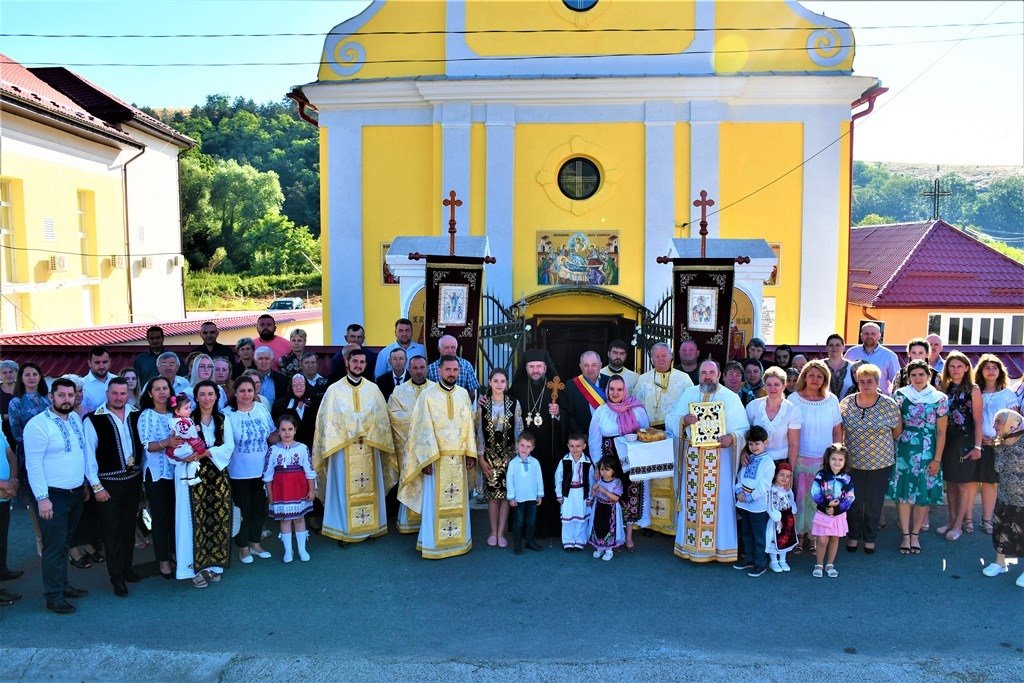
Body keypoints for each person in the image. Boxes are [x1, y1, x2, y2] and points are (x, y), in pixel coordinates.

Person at [667, 360, 750, 564]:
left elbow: (744, 428)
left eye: (711, 373)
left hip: (720, 459)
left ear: (719, 374)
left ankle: (720, 548)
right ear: (698, 375)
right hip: (692, 460)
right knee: (692, 501)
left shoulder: (730, 397)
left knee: (719, 503)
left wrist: (732, 438)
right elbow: (670, 419)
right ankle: (690, 546)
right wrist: (683, 420)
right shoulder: (688, 394)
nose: (707, 377)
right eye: (703, 373)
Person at [312, 349, 396, 546]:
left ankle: (370, 528)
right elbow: (327, 422)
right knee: (343, 489)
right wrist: (351, 432)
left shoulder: (373, 390)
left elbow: (381, 420)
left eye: (362, 362)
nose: (358, 365)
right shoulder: (334, 390)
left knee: (370, 487)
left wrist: (367, 431)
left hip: (369, 448)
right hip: (343, 449)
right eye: (355, 361)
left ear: (366, 365)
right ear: (347, 363)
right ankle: (345, 531)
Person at [399, 355, 478, 559]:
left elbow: (468, 424)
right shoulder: (427, 395)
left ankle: (459, 542)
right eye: (448, 370)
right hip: (436, 459)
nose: (452, 373)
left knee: (458, 501)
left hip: (459, 459)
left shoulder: (463, 394)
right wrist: (425, 459)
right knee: (434, 503)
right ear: (440, 371)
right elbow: (421, 428)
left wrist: (470, 453)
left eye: (455, 370)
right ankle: (432, 544)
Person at [23, 378, 91, 614]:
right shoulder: (38, 425)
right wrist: (42, 498)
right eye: (61, 395)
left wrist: (84, 484)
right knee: (54, 546)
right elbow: (33, 464)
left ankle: (63, 586)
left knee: (65, 543)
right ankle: (53, 596)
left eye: (70, 395)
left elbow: (79, 454)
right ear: (51, 397)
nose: (66, 400)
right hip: (53, 496)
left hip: (75, 492)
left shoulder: (75, 419)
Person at [170, 380, 234, 588]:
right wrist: (187, 454)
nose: (207, 398)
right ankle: (192, 568)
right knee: (190, 521)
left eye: (210, 394)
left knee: (215, 518)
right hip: (191, 475)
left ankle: (212, 564)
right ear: (196, 397)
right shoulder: (185, 419)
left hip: (216, 474)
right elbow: (174, 446)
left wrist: (205, 453)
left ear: (217, 397)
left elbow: (229, 446)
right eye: (202, 394)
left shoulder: (223, 419)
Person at [82, 378, 143, 597]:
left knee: (128, 527)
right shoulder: (93, 419)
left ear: (128, 394)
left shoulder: (137, 415)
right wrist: (97, 487)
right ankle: (116, 577)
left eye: (123, 393)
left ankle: (126, 569)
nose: (119, 397)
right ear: (107, 393)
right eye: (115, 393)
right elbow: (89, 456)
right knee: (112, 531)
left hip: (133, 480)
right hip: (108, 484)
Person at [888, 359, 948, 555]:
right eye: (913, 375)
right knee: (903, 493)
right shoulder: (900, 395)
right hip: (905, 449)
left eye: (921, 374)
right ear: (908, 377)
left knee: (923, 493)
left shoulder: (939, 398)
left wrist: (937, 459)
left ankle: (915, 535)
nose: (917, 378)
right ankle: (905, 535)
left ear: (928, 375)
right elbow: (895, 425)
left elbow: (941, 432)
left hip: (929, 450)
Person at [839, 363, 900, 556]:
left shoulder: (888, 404)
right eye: (862, 381)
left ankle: (870, 538)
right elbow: (840, 428)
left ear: (877, 382)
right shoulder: (847, 403)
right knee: (854, 502)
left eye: (869, 381)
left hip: (880, 463)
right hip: (853, 463)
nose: (865, 385)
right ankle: (853, 535)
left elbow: (897, 431)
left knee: (874, 503)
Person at [635, 342, 693, 536]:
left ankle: (670, 524)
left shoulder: (683, 379)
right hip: (648, 436)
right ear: (651, 359)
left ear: (671, 357)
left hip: (672, 435)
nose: (660, 359)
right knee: (649, 478)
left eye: (664, 356)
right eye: (657, 356)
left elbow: (690, 406)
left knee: (671, 478)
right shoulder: (643, 380)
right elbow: (636, 406)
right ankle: (649, 521)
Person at [588, 375, 650, 550]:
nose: (615, 393)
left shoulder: (637, 410)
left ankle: (628, 537)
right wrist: (598, 466)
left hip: (632, 462)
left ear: (625, 391)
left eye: (619, 389)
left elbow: (646, 434)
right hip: (610, 464)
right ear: (607, 390)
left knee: (631, 498)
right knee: (610, 497)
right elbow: (594, 441)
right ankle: (611, 534)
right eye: (612, 389)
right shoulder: (601, 411)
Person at [509, 349, 566, 539]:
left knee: (547, 484)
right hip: (525, 449)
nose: (535, 370)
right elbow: (502, 404)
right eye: (531, 366)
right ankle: (523, 530)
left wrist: (559, 413)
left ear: (545, 368)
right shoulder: (517, 388)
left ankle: (548, 528)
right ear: (525, 368)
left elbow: (568, 414)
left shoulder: (555, 387)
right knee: (524, 486)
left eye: (539, 366)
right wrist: (485, 401)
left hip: (549, 448)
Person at [789, 360, 843, 550]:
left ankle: (814, 537)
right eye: (811, 375)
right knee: (798, 500)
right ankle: (798, 536)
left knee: (819, 500)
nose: (815, 379)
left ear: (825, 380)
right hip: (800, 458)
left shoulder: (832, 400)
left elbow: (837, 431)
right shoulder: (793, 399)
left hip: (824, 460)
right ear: (804, 377)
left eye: (820, 376)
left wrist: (836, 459)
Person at [225, 376, 277, 563]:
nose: (246, 394)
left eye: (250, 390)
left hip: (261, 470)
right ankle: (243, 547)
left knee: (258, 509)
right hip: (238, 472)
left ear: (255, 392)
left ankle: (255, 543)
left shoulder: (261, 409)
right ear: (235, 392)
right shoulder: (227, 414)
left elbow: (272, 434)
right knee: (242, 511)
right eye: (242, 391)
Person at [137, 377, 182, 579]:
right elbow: (147, 445)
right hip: (157, 474)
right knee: (161, 518)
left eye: (165, 388)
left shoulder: (176, 414)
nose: (162, 392)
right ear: (150, 393)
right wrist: (167, 442)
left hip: (178, 473)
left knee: (176, 516)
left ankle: (175, 554)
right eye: (157, 389)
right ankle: (163, 560)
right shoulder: (147, 415)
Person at [936, 351, 983, 540]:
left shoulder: (973, 389)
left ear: (966, 368)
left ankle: (958, 526)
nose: (955, 370)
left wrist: (977, 446)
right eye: (952, 366)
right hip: (947, 441)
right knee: (951, 484)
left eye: (959, 366)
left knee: (963, 484)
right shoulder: (943, 388)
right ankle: (951, 521)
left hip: (966, 440)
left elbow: (978, 421)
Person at [476, 368, 522, 548]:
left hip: (509, 457)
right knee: (493, 497)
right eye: (495, 381)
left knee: (505, 496)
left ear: (507, 384)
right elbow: (479, 433)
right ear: (489, 382)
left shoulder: (514, 403)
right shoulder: (482, 404)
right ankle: (493, 531)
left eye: (502, 381)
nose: (499, 384)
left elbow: (518, 430)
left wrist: (517, 457)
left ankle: (501, 532)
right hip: (489, 457)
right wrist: (481, 459)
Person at [387, 355, 433, 534]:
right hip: (409, 448)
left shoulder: (435, 390)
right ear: (409, 369)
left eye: (422, 367)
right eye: (415, 368)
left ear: (427, 368)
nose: (419, 371)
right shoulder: (399, 391)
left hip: (431, 449)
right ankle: (409, 523)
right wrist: (420, 430)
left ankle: (429, 521)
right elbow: (395, 417)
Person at [8, 362, 50, 556]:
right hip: (29, 454)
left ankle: (54, 537)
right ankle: (39, 538)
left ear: (40, 377)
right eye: (27, 374)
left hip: (51, 454)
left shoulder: (47, 399)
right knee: (34, 498)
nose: (32, 378)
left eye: (35, 374)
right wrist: (37, 445)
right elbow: (16, 432)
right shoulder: (16, 402)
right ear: (21, 378)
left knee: (52, 495)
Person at [264, 414, 316, 563]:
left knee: (299, 518)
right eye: (283, 429)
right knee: (285, 519)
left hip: (299, 489)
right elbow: (268, 474)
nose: (287, 432)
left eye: (290, 429)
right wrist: (270, 493)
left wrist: (311, 490)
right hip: (281, 490)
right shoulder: (273, 450)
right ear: (278, 432)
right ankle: (288, 550)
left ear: (295, 430)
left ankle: (302, 549)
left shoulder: (302, 448)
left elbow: (309, 471)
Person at [981, 409, 1024, 586]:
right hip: (1005, 496)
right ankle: (1000, 563)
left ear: (1012, 425)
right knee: (1001, 529)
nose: (993, 426)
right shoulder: (1000, 443)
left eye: (998, 422)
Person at [977, 354, 1018, 535]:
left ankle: (987, 520)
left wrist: (996, 440)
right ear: (981, 371)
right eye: (987, 367)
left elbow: (1014, 424)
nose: (991, 371)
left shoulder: (1008, 394)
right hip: (977, 443)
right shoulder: (975, 392)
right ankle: (966, 519)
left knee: (990, 482)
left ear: (1000, 371)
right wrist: (979, 438)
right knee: (970, 482)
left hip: (999, 446)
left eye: (995, 367)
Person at [733, 426, 775, 577]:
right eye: (750, 444)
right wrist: (739, 491)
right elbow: (740, 476)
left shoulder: (768, 462)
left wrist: (750, 497)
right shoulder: (749, 458)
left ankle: (760, 563)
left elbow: (765, 485)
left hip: (758, 505)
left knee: (758, 535)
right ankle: (749, 558)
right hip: (744, 503)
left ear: (765, 443)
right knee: (746, 532)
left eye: (757, 443)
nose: (754, 447)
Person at [811, 443, 855, 578]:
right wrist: (826, 504)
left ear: (845, 461)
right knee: (822, 540)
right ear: (828, 459)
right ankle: (819, 564)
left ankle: (830, 564)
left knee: (834, 539)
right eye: (833, 459)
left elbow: (850, 497)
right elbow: (815, 492)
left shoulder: (847, 479)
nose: (837, 462)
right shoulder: (821, 475)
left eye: (840, 459)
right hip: (823, 513)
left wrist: (838, 509)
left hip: (838, 515)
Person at [744, 367, 801, 467]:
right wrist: (743, 452)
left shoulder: (793, 410)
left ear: (784, 385)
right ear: (764, 386)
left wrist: (790, 470)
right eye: (769, 384)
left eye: (777, 384)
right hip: (754, 461)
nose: (772, 388)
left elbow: (794, 445)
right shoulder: (753, 406)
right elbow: (745, 433)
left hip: (780, 464)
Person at [506, 433, 544, 554]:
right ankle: (517, 544)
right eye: (522, 445)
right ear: (517, 445)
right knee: (519, 522)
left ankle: (529, 541)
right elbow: (509, 481)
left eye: (528, 446)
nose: (524, 449)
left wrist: (539, 494)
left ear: (532, 448)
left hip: (532, 497)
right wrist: (511, 497)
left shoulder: (535, 462)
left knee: (531, 521)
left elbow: (539, 479)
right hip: (519, 499)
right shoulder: (513, 463)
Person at [555, 433, 593, 551]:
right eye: (572, 446)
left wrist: (590, 496)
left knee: (581, 518)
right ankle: (568, 541)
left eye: (578, 446)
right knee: (568, 518)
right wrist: (559, 494)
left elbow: (591, 481)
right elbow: (558, 478)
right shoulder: (564, 461)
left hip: (581, 493)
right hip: (568, 493)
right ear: (568, 446)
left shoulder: (587, 462)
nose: (575, 449)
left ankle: (580, 541)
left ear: (584, 446)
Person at [0, 420, 23, 602]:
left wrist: (13, 481)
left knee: (2, 536)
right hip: (4, 489)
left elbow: (10, 453)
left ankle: (1, 570)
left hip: (5, 494)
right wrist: (5, 485)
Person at [563, 351, 609, 440]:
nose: (590, 369)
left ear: (600, 365)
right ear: (580, 366)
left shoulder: (609, 382)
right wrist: (580, 435)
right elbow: (569, 414)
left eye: (594, 365)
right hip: (582, 437)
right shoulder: (571, 385)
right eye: (586, 365)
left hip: (606, 435)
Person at [844, 323, 900, 395]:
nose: (869, 336)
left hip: (880, 399)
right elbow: (844, 376)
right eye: (866, 334)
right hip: (854, 398)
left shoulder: (889, 356)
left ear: (879, 336)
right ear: (861, 336)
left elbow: (896, 382)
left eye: (873, 334)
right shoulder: (851, 352)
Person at [164, 393, 206, 487]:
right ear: (177, 411)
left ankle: (185, 478)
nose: (189, 410)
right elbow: (185, 434)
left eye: (190, 407)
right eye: (186, 408)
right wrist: (194, 429)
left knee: (189, 462)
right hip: (182, 447)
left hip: (182, 446)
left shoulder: (181, 419)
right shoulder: (179, 422)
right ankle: (190, 478)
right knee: (193, 459)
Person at [587, 455, 624, 561]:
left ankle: (609, 550)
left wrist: (604, 491)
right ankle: (599, 547)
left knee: (609, 528)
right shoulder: (600, 480)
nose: (604, 472)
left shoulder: (616, 482)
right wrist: (593, 489)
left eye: (607, 469)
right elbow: (595, 494)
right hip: (599, 507)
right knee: (598, 526)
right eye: (602, 469)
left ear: (613, 470)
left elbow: (616, 498)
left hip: (610, 509)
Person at [272, 374, 320, 451]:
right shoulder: (279, 405)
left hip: (313, 448)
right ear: (290, 387)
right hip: (288, 449)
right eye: (295, 385)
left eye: (301, 384)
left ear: (306, 386)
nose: (298, 387)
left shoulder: (316, 403)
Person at [766, 462, 798, 572]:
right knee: (775, 539)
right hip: (777, 519)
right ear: (776, 475)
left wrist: (793, 513)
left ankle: (783, 560)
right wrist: (777, 518)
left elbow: (791, 502)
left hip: (787, 518)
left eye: (787, 476)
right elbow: (770, 506)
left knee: (786, 539)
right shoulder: (771, 490)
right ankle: (774, 561)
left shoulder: (787, 490)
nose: (784, 478)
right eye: (782, 475)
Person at [426, 335, 479, 400]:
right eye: (446, 348)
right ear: (439, 349)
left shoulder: (466, 366)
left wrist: (465, 404)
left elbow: (472, 392)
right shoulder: (431, 369)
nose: (450, 351)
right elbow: (429, 393)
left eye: (453, 347)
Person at [81, 346, 113, 414]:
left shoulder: (117, 380)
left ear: (110, 361)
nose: (101, 366)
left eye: (104, 362)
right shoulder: (82, 385)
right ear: (89, 363)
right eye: (97, 362)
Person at [824, 334, 855, 398]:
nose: (834, 348)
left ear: (843, 347)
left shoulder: (852, 367)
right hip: (823, 403)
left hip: (847, 403)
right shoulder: (820, 365)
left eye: (838, 345)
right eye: (831, 345)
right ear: (827, 347)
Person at [0, 359, 18, 443]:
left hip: (22, 431)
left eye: (11, 372)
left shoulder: (24, 390)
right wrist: (7, 416)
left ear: (16, 373)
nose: (8, 375)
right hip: (2, 432)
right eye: (4, 373)